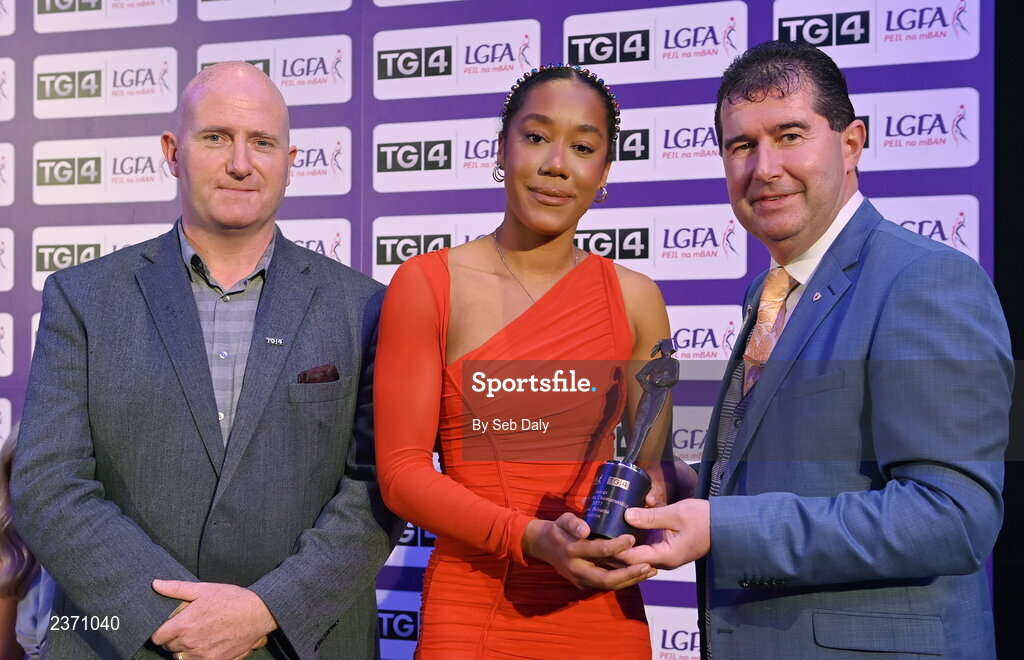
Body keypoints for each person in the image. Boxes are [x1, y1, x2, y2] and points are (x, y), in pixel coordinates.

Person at [618, 40, 1012, 659]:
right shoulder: (769, 292)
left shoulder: (926, 281)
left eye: (790, 134)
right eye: (740, 146)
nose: (764, 167)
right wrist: (693, 493)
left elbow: (951, 517)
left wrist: (720, 528)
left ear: (851, 143)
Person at [11, 62, 397, 660]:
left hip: (301, 642)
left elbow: (378, 485)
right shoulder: (83, 296)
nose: (240, 162)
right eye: (216, 137)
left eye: (262, 142)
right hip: (126, 643)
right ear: (172, 151)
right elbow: (46, 484)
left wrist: (267, 610)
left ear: (290, 161)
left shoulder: (366, 306)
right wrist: (171, 618)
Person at [374, 64, 673, 658]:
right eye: (536, 137)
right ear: (501, 149)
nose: (556, 164)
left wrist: (654, 508)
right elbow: (402, 473)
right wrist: (532, 539)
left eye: (583, 147)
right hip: (474, 612)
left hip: (602, 613)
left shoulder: (638, 299)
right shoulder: (428, 284)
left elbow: (651, 464)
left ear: (604, 172)